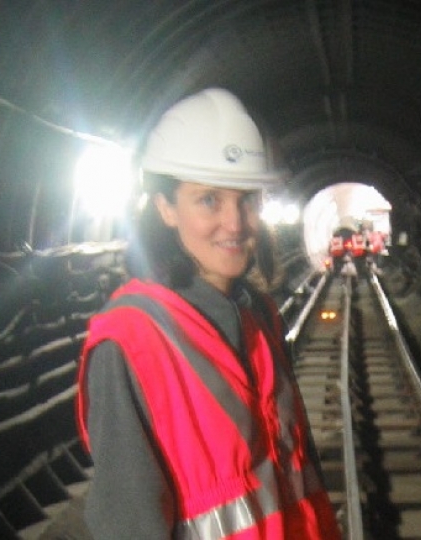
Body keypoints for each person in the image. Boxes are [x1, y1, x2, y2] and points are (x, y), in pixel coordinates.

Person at [75, 88, 341, 539]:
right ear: (165, 207)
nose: (235, 223)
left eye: (247, 200)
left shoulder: (259, 317)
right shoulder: (130, 342)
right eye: (209, 200)